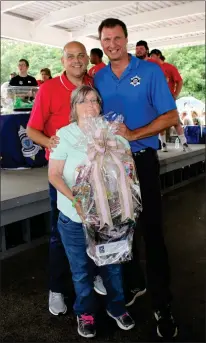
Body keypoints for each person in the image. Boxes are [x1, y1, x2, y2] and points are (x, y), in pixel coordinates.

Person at [94, 18, 179, 339]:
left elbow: (171, 115)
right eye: (106, 39)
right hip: (109, 165)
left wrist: (133, 134)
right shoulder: (99, 77)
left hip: (141, 162)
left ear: (127, 40)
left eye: (117, 38)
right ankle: (133, 283)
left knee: (152, 232)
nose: (112, 44)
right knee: (119, 231)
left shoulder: (150, 71)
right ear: (101, 42)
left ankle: (163, 303)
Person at [48, 85, 135, 338]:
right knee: (81, 270)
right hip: (75, 218)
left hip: (110, 217)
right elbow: (54, 174)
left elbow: (128, 170)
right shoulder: (64, 135)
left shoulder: (113, 134)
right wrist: (75, 199)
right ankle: (84, 312)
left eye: (95, 100)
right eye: (83, 101)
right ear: (74, 107)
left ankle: (116, 307)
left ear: (101, 106)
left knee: (113, 267)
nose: (90, 105)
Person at [26, 41, 106, 316]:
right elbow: (32, 130)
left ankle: (94, 272)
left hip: (95, 172)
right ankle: (57, 288)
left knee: (96, 226)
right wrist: (50, 141)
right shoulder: (48, 89)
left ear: (88, 59)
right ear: (62, 61)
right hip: (63, 176)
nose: (76, 60)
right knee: (60, 234)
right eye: (70, 56)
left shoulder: (93, 84)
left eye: (81, 55)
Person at [150, 49, 190, 152]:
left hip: (168, 99)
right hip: (156, 99)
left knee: (175, 121)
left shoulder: (169, 67)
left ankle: (184, 143)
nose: (151, 58)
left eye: (153, 56)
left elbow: (180, 81)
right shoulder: (152, 68)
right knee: (160, 122)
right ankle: (163, 144)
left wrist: (176, 94)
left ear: (158, 55)